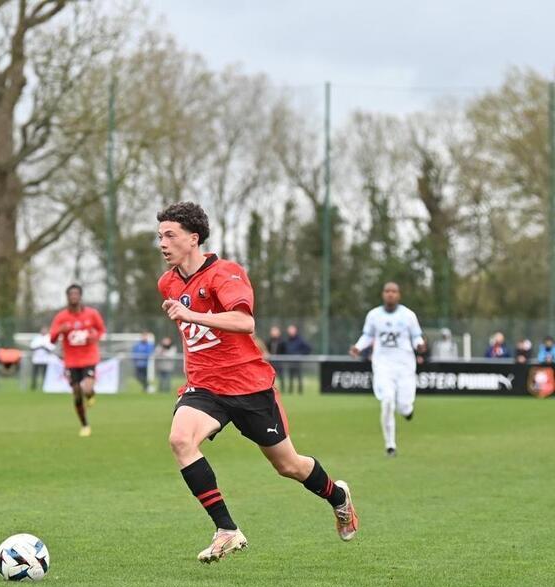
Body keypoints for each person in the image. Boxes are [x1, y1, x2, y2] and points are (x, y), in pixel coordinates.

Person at [156, 201, 357, 563]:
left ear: (193, 238)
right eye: (160, 236)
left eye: (170, 235)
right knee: (180, 439)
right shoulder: (167, 283)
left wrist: (192, 314)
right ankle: (227, 530)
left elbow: (245, 323)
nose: (163, 243)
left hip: (249, 386)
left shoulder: (225, 273)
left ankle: (338, 497)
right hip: (204, 386)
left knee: (289, 466)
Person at [349, 282, 426, 458]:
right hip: (383, 365)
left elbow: (416, 337)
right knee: (387, 400)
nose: (390, 294)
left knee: (404, 406)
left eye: (394, 291)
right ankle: (390, 445)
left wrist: (420, 345)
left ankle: (407, 411)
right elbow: (368, 336)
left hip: (405, 365)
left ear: (399, 295)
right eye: (387, 291)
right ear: (383, 294)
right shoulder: (374, 315)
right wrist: (358, 348)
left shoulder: (408, 315)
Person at [49, 284, 106, 437]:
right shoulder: (61, 317)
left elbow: (101, 330)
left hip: (89, 357)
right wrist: (61, 330)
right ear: (67, 297)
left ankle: (91, 394)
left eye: (76, 294)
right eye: (71, 294)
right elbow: (52, 338)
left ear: (80, 296)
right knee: (76, 392)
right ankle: (84, 424)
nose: (74, 297)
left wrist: (95, 336)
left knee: (87, 388)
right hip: (71, 361)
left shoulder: (92, 314)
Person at [284, 324, 311, 394]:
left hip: (297, 362)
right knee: (290, 377)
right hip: (290, 361)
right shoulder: (287, 340)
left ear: (295, 331)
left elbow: (308, 348)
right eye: (289, 330)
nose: (290, 332)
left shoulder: (300, 340)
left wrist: (301, 354)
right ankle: (290, 391)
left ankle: (300, 391)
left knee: (299, 377)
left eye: (292, 330)